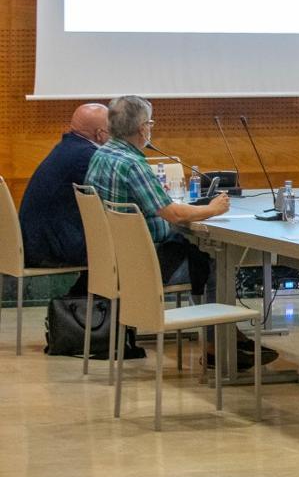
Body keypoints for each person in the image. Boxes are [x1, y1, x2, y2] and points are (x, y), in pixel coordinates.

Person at [85, 96, 273, 367]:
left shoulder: (101, 155)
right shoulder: (133, 164)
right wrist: (212, 209)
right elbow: (172, 214)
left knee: (196, 254)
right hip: (144, 265)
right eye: (150, 123)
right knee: (213, 264)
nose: (150, 128)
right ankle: (217, 348)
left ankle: (228, 335)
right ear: (141, 128)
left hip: (114, 261)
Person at [19, 103, 110, 269]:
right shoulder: (86, 156)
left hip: (35, 241)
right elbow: (112, 197)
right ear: (100, 134)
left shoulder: (68, 147)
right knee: (129, 241)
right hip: (51, 248)